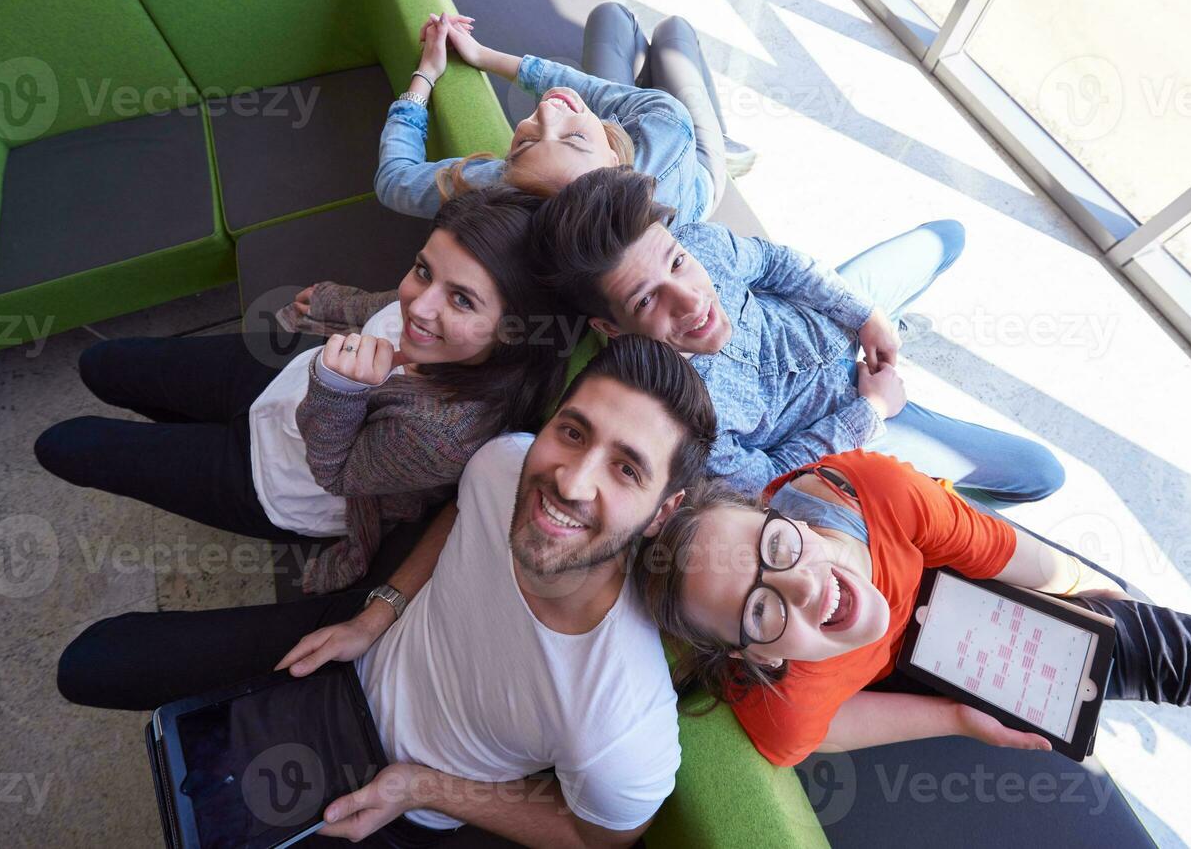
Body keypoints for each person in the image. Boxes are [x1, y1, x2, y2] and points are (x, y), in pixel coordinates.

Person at [57, 336, 718, 847]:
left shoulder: (622, 722)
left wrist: (425, 789)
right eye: (572, 432)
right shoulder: (502, 465)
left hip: (406, 801)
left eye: (626, 469)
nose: (572, 481)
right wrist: (380, 611)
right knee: (94, 668)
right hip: (345, 666)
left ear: (662, 512)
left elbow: (601, 835)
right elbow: (462, 512)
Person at [636, 448, 1191, 767]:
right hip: (923, 657)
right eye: (761, 610)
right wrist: (950, 718)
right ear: (755, 654)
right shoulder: (781, 702)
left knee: (1170, 654)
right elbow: (826, 729)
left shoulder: (880, 492)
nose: (803, 587)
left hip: (942, 557)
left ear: (777, 516)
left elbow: (1024, 560)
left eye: (780, 551)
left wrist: (1090, 591)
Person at [35, 187, 571, 592]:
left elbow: (334, 472)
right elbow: (388, 304)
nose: (422, 306)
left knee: (69, 446)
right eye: (424, 271)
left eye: (463, 301)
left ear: (512, 330)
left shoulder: (442, 434)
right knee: (103, 362)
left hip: (273, 478)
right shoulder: (426, 312)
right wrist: (334, 303)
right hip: (278, 380)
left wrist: (340, 390)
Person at [528, 167, 1065, 501]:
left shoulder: (699, 243)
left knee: (948, 236)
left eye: (678, 264)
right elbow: (770, 482)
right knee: (1041, 474)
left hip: (832, 323)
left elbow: (778, 265)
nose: (692, 301)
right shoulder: (675, 419)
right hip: (846, 413)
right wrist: (870, 411)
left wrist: (863, 313)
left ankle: (892, 322)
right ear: (610, 328)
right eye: (647, 300)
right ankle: (943, 490)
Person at [375, 3, 748, 227]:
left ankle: (632, 94)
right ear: (615, 160)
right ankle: (723, 143)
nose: (545, 111)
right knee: (673, 31)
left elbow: (394, 181)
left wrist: (439, 68)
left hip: (624, 123)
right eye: (574, 138)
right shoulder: (669, 129)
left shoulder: (513, 181)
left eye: (525, 141)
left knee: (611, 15)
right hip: (695, 170)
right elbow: (590, 93)